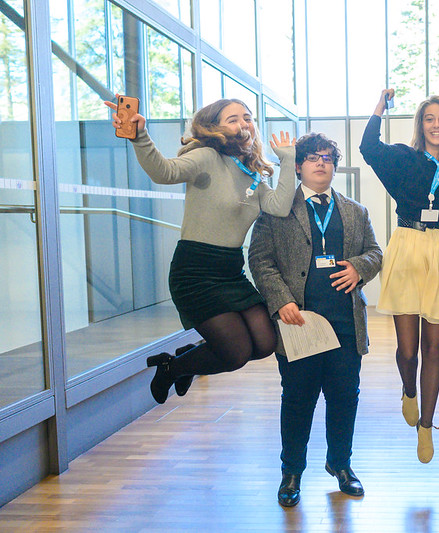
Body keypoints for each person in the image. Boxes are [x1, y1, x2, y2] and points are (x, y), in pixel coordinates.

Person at [103, 97, 296, 404]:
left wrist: (287, 161)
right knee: (236, 353)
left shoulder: (252, 171)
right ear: (212, 127)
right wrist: (140, 136)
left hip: (231, 271)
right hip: (195, 272)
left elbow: (280, 206)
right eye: (232, 118)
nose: (243, 123)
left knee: (264, 343)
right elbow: (164, 172)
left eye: (247, 117)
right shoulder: (205, 156)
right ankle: (173, 367)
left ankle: (189, 356)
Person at [248, 132, 382, 507]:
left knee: (344, 397)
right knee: (297, 399)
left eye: (327, 158)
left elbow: (375, 252)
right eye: (311, 157)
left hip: (344, 322)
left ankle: (340, 464)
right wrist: (280, 300)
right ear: (299, 165)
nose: (321, 162)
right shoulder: (279, 208)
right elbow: (259, 259)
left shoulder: (355, 210)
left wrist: (359, 267)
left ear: (335, 166)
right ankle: (291, 472)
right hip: (296, 324)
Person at [359, 89, 439, 463]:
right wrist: (380, 105)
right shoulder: (403, 158)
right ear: (420, 124)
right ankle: (408, 389)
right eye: (429, 118)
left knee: (434, 349)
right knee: (408, 352)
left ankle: (427, 425)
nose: (436, 125)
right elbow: (367, 146)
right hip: (406, 248)